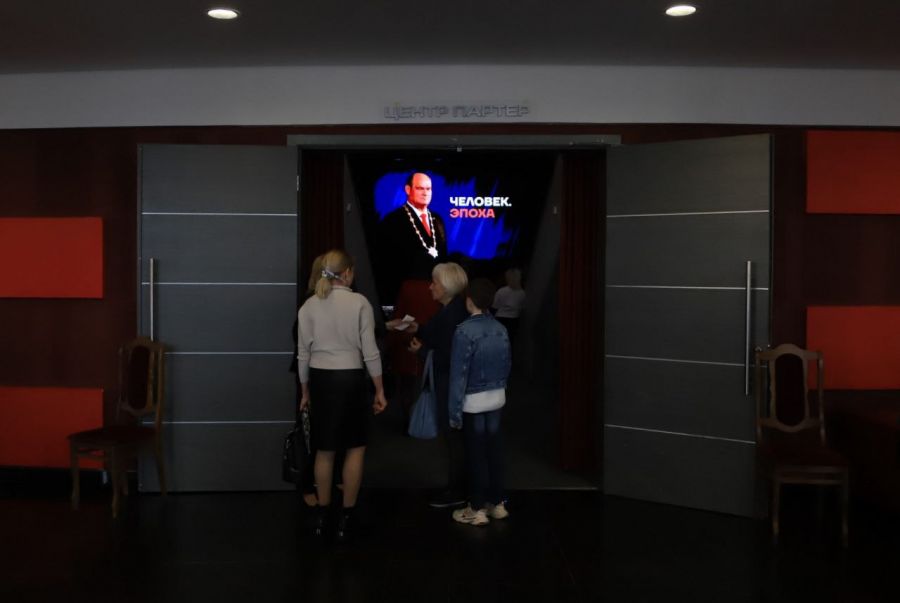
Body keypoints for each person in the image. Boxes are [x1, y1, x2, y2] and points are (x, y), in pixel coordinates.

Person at [297, 250, 388, 542]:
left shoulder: (309, 306)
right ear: (347, 273)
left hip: (321, 380)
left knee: (324, 450)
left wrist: (305, 391)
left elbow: (303, 355)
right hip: (351, 380)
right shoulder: (360, 303)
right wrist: (379, 389)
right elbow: (370, 352)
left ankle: (323, 515)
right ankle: (346, 518)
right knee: (355, 448)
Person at [448, 278, 512, 526]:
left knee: (476, 455)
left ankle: (476, 508)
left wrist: (454, 413)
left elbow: (458, 376)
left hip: (473, 401)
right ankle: (497, 503)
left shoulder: (464, 331)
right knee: (494, 451)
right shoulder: (501, 328)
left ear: (469, 301)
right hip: (497, 397)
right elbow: (507, 365)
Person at [408, 262, 469, 508]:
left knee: (454, 440)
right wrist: (420, 329)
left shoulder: (451, 314)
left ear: (446, 286)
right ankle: (459, 487)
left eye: (434, 283)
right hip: (450, 384)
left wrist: (422, 352)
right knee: (454, 439)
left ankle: (457, 490)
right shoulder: (452, 309)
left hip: (450, 386)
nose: (430, 287)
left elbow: (450, 355)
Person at [377, 172, 448, 306]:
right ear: (408, 189)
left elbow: (443, 254)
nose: (425, 193)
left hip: (438, 295)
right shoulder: (393, 220)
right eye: (420, 188)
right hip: (408, 294)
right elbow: (387, 262)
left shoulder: (437, 219)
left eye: (428, 189)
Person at [290, 254, 326, 509]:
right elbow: (299, 340)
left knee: (322, 430)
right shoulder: (310, 302)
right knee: (308, 431)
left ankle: (323, 481)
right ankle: (306, 483)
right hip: (312, 371)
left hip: (323, 371)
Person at [492, 268, 525, 342]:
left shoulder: (502, 291)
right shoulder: (523, 293)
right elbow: (522, 307)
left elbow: (494, 305)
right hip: (514, 320)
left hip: (500, 318)